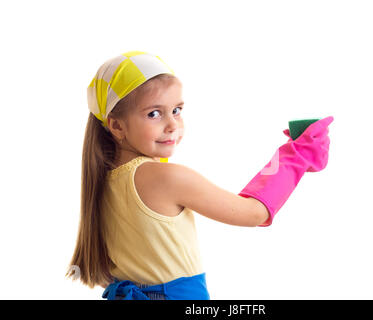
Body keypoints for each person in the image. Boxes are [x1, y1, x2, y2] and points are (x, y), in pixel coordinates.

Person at [66, 50, 333, 300]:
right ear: (116, 125)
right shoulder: (164, 178)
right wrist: (296, 155)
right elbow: (254, 212)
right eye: (154, 113)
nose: (172, 125)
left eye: (177, 110)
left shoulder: (104, 179)